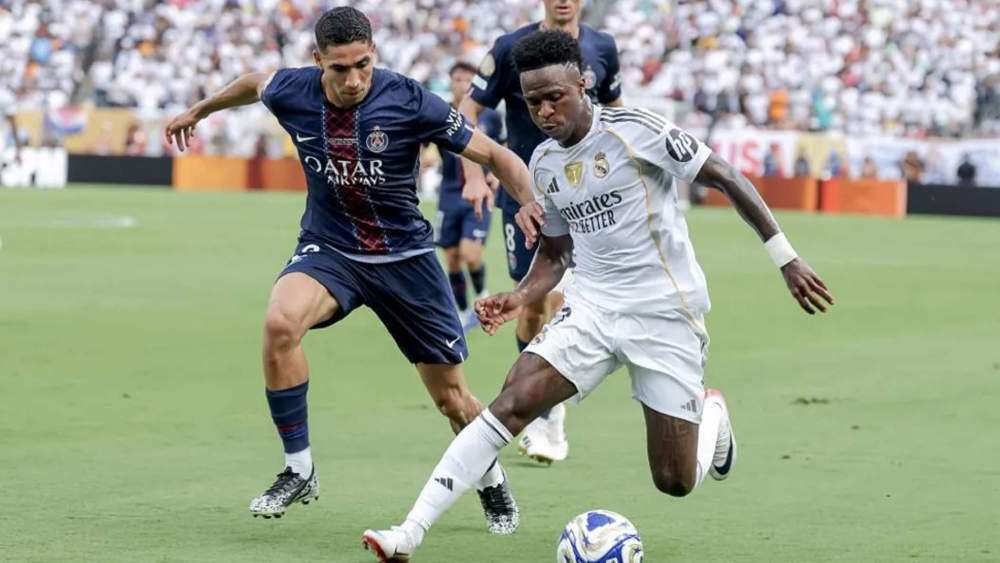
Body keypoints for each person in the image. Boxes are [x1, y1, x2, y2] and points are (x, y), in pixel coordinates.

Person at [362, 30, 834, 561]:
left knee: (674, 480)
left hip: (664, 311)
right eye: (532, 101)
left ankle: (712, 416)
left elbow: (724, 176)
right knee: (512, 400)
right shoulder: (543, 163)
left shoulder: (637, 132)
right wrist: (520, 296)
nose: (542, 110)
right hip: (593, 305)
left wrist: (786, 257)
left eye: (553, 97)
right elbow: (557, 253)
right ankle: (409, 532)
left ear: (582, 84)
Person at [163, 6, 533, 534]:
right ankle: (299, 468)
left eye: (363, 64)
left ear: (374, 55)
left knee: (451, 398)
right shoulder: (292, 89)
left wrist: (526, 202)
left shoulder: (408, 98)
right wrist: (200, 110)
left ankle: (491, 478)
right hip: (331, 249)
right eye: (340, 69)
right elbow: (253, 84)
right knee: (278, 325)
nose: (355, 78)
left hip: (405, 260)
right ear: (318, 62)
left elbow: (496, 154)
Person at [457, 0, 624, 466]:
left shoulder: (603, 47)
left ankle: (548, 415)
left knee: (555, 301)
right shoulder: (511, 48)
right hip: (527, 198)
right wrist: (472, 173)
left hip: (587, 196)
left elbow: (616, 111)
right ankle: (539, 399)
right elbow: (468, 109)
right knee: (530, 308)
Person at [435, 62, 504, 330]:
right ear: (451, 82)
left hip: (479, 194)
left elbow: (504, 146)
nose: (462, 84)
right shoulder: (438, 114)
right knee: (452, 258)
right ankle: (464, 311)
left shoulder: (488, 116)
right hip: (448, 194)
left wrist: (496, 175)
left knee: (470, 254)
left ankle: (483, 294)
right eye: (457, 79)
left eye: (467, 79)